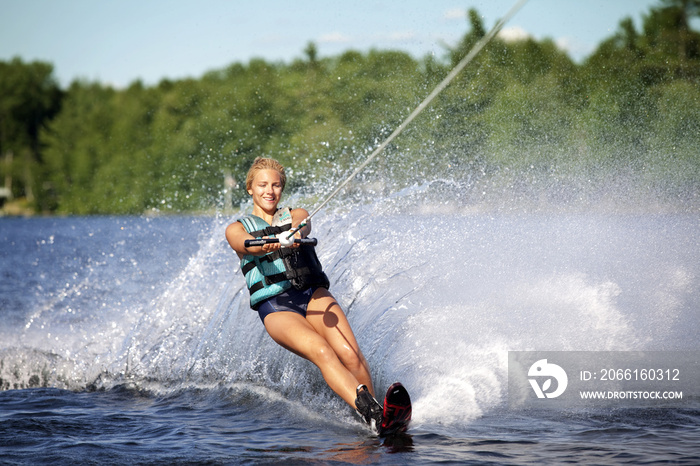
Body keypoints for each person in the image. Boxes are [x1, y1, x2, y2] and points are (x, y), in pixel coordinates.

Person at [225, 157, 383, 429]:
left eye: (275, 185)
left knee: (350, 353)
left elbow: (303, 224)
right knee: (322, 350)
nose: (269, 191)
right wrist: (272, 243)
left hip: (312, 294)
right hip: (277, 306)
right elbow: (245, 245)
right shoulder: (237, 228)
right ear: (250, 188)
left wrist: (292, 232)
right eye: (262, 185)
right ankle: (371, 414)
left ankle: (377, 414)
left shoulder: (295, 215)